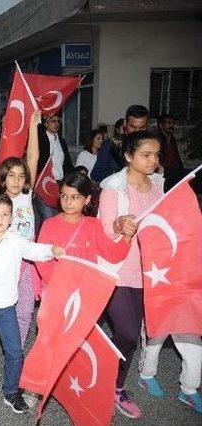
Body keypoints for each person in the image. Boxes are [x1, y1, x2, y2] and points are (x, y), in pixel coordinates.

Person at [0, 194, 63, 415]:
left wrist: (51, 250)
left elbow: (34, 250)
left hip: (6, 307)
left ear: (11, 218)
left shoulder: (15, 240)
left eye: (5, 214)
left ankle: (12, 391)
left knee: (15, 351)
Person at [98, 130, 163, 419]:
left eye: (157, 155)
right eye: (146, 155)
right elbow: (103, 231)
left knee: (136, 333)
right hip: (118, 272)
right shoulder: (114, 188)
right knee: (125, 332)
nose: (153, 160)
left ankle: (116, 383)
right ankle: (113, 383)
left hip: (150, 271)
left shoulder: (159, 184)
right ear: (128, 156)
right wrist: (118, 225)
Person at [0, 110, 42, 348]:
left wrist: (33, 126)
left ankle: (17, 349)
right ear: (3, 179)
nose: (16, 180)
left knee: (25, 308)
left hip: (27, 260)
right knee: (5, 306)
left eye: (21, 176)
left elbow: (32, 156)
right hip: (6, 261)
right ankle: (7, 336)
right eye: (11, 175)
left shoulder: (26, 195)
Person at [32, 113, 73, 233]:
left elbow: (67, 165)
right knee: (48, 218)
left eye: (58, 121)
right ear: (46, 123)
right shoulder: (41, 139)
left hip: (59, 185)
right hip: (43, 184)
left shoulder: (62, 142)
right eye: (53, 121)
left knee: (50, 220)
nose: (56, 124)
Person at [91, 105, 149, 183]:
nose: (137, 132)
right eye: (132, 127)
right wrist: (120, 174)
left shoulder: (151, 146)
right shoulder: (111, 145)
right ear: (125, 123)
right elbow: (96, 175)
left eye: (142, 128)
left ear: (147, 126)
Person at [156, 113, 185, 190]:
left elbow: (177, 158)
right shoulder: (156, 140)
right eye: (168, 123)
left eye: (173, 123)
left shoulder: (172, 139)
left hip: (173, 173)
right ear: (161, 125)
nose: (172, 125)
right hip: (162, 173)